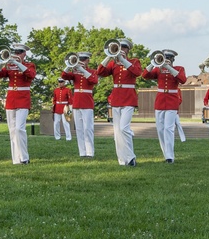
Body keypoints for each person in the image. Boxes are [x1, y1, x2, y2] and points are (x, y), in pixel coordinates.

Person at [97, 38, 142, 166]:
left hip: (129, 98)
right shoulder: (113, 64)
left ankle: (131, 157)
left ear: (128, 50)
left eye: (124, 47)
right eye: (119, 47)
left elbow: (137, 72)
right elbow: (99, 72)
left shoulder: (134, 61)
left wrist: (123, 60)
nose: (121, 49)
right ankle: (123, 160)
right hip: (116, 98)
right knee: (117, 132)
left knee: (123, 128)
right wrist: (108, 57)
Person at [0, 43, 35, 165]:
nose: (16, 54)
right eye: (15, 52)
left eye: (19, 52)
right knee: (12, 130)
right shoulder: (9, 66)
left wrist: (18, 63)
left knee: (19, 128)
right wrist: (2, 61)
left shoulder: (29, 65)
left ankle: (24, 157)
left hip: (23, 99)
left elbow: (31, 75)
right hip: (11, 100)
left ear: (24, 54)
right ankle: (16, 159)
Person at [142, 49, 186, 163]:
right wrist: (153, 63)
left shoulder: (178, 69)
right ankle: (165, 152)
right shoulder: (158, 69)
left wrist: (169, 67)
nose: (166, 60)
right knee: (160, 129)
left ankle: (170, 156)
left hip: (172, 101)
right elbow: (145, 75)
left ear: (172, 59)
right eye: (164, 58)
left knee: (168, 128)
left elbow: (182, 80)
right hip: (160, 101)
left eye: (169, 58)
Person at [61, 52, 98, 158]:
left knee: (88, 128)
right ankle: (82, 152)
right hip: (77, 102)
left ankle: (90, 152)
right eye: (79, 59)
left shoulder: (91, 71)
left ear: (88, 60)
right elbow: (63, 75)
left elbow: (94, 80)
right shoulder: (74, 72)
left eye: (83, 59)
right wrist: (70, 66)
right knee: (79, 128)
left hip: (87, 103)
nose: (81, 61)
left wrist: (82, 70)